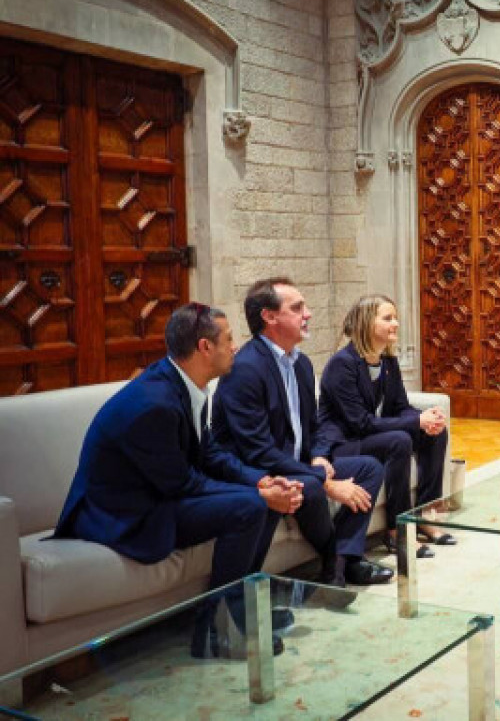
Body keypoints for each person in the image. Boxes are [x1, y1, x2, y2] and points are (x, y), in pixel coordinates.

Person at [54, 303, 303, 658]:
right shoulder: (154, 403)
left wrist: (262, 482)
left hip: (161, 494)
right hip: (125, 514)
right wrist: (259, 496)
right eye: (228, 339)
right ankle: (216, 628)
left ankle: (244, 609)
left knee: (262, 501)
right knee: (250, 507)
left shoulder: (184, 383)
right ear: (205, 347)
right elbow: (182, 484)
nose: (235, 347)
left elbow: (210, 453)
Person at [211, 278, 393, 587]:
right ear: (269, 316)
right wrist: (324, 480)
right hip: (261, 471)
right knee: (309, 486)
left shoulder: (302, 364)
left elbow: (314, 426)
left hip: (298, 463)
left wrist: (319, 457)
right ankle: (337, 563)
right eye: (297, 308)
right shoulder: (245, 368)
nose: (308, 314)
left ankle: (341, 559)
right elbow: (258, 451)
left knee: (369, 468)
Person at [316, 294, 452, 558]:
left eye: (395, 318)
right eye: (388, 318)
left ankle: (425, 514)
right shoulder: (342, 364)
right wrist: (416, 421)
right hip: (345, 443)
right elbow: (360, 423)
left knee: (435, 434)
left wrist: (426, 419)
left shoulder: (388, 361)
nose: (396, 324)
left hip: (370, 435)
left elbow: (400, 406)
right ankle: (397, 531)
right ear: (367, 323)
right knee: (399, 440)